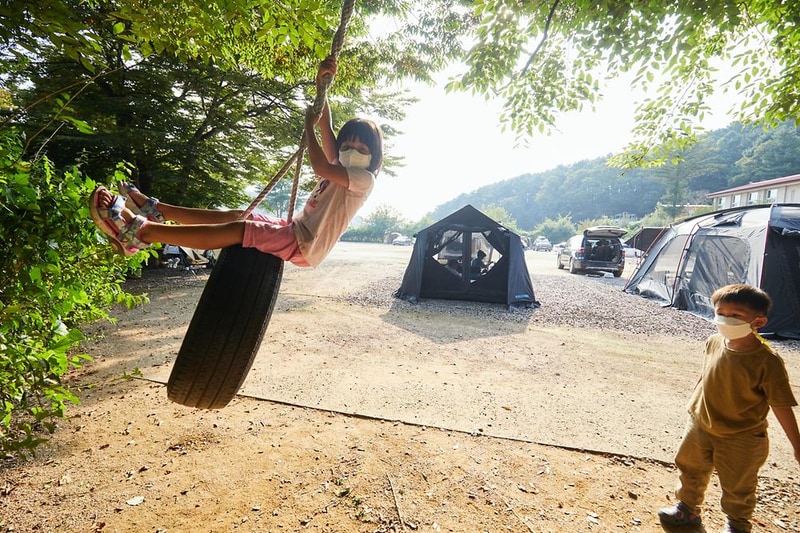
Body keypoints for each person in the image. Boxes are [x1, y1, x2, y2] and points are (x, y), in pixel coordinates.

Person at [89, 55, 383, 268]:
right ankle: (157, 210)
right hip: (294, 228)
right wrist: (323, 86)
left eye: (361, 148)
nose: (352, 149)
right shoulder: (340, 167)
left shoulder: (362, 180)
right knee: (238, 214)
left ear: (373, 157)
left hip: (305, 243)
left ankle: (141, 233)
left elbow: (319, 162)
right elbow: (327, 128)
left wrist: (308, 127)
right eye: (348, 144)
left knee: (241, 231)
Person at [658, 284, 800, 533]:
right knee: (690, 467)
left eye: (736, 316)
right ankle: (687, 509)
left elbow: (781, 404)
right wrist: (694, 403)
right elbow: (705, 373)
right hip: (700, 425)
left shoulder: (767, 361)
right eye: (720, 313)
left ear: (759, 322)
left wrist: (797, 445)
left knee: (738, 484)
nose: (725, 320)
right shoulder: (714, 342)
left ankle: (737, 524)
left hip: (742, 437)